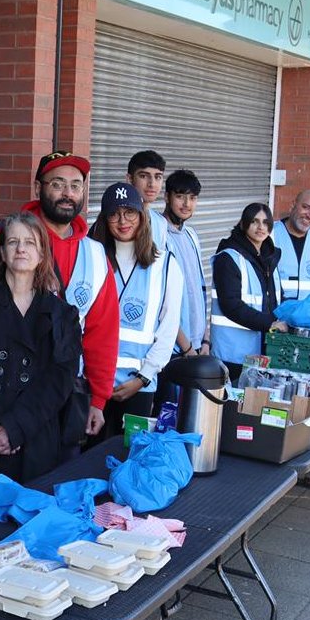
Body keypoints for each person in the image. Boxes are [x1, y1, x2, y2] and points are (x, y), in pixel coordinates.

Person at [0, 150, 119, 442]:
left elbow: (103, 332)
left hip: (62, 394)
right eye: (57, 184)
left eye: (75, 186)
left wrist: (99, 398)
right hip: (2, 396)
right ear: (39, 189)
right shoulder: (8, 240)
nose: (67, 193)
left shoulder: (95, 254)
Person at [0, 212, 81, 507]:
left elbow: (59, 382)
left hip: (34, 442)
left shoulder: (63, 315)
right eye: (13, 241)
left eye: (30, 242)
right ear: (3, 252)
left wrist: (16, 426)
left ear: (42, 253)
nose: (21, 248)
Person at [89, 182, 183, 437]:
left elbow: (168, 330)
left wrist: (143, 378)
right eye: (114, 214)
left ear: (142, 216)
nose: (122, 221)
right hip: (91, 385)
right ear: (104, 218)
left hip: (138, 387)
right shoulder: (91, 257)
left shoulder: (166, 265)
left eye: (129, 212)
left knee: (127, 462)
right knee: (86, 463)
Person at [210, 203, 286, 380]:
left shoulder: (270, 258)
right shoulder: (229, 257)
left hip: (261, 354)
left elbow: (275, 301)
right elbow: (231, 304)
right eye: (254, 221)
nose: (261, 227)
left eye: (266, 222)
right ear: (243, 224)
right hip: (232, 355)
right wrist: (270, 324)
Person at [164, 169, 210, 357]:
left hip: (198, 345)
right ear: (167, 197)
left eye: (192, 198)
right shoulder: (158, 234)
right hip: (173, 348)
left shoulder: (191, 235)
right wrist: (186, 348)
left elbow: (200, 290)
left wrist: (205, 340)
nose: (186, 204)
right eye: (180, 196)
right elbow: (162, 301)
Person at [274, 189, 310, 301]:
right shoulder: (271, 234)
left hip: (308, 314)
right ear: (293, 205)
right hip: (276, 314)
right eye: (306, 207)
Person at [127, 150, 169, 256]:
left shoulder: (161, 223)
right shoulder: (116, 220)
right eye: (144, 176)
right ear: (130, 179)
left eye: (158, 177)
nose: (152, 184)